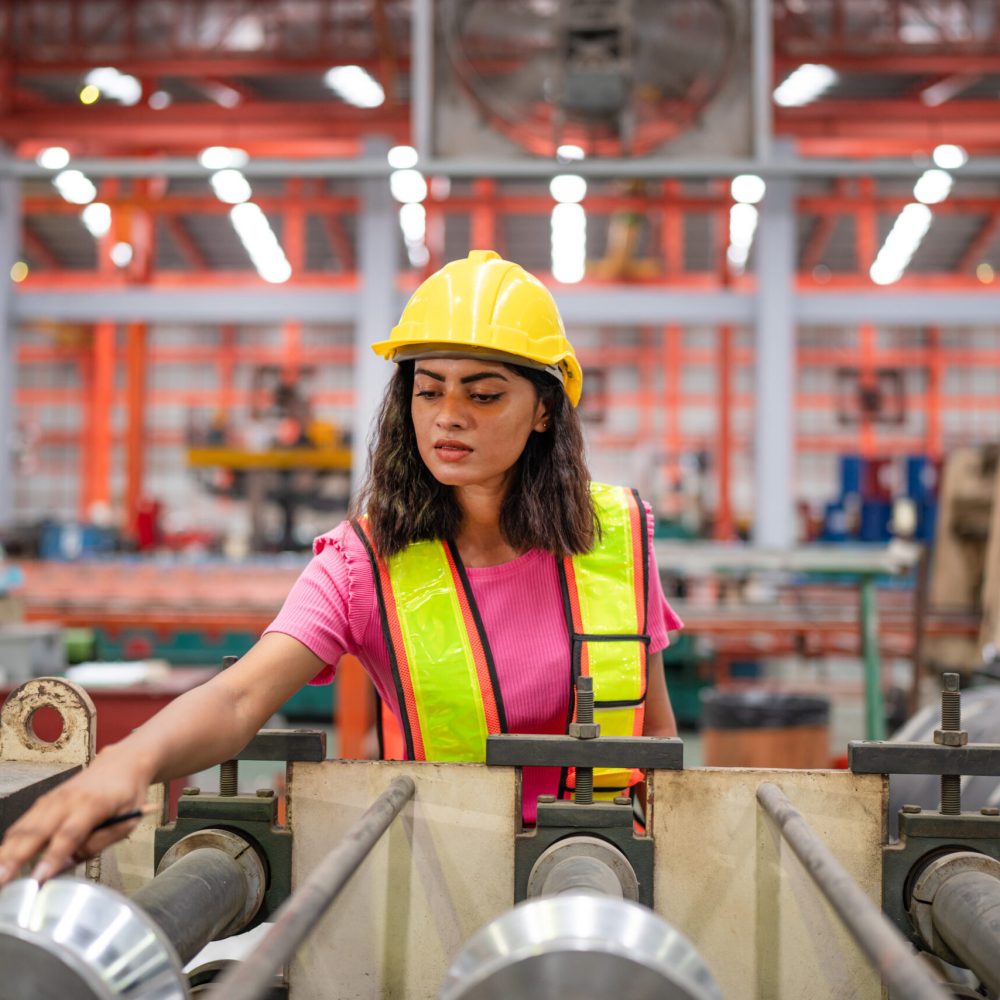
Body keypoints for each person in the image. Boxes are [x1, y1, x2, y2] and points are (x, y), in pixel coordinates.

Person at [0, 250, 679, 888]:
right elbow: (240, 697)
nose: (447, 418)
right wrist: (128, 761)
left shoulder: (617, 536)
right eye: (428, 390)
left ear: (544, 409)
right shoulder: (365, 561)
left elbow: (655, 733)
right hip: (442, 886)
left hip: (608, 874)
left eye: (483, 395)